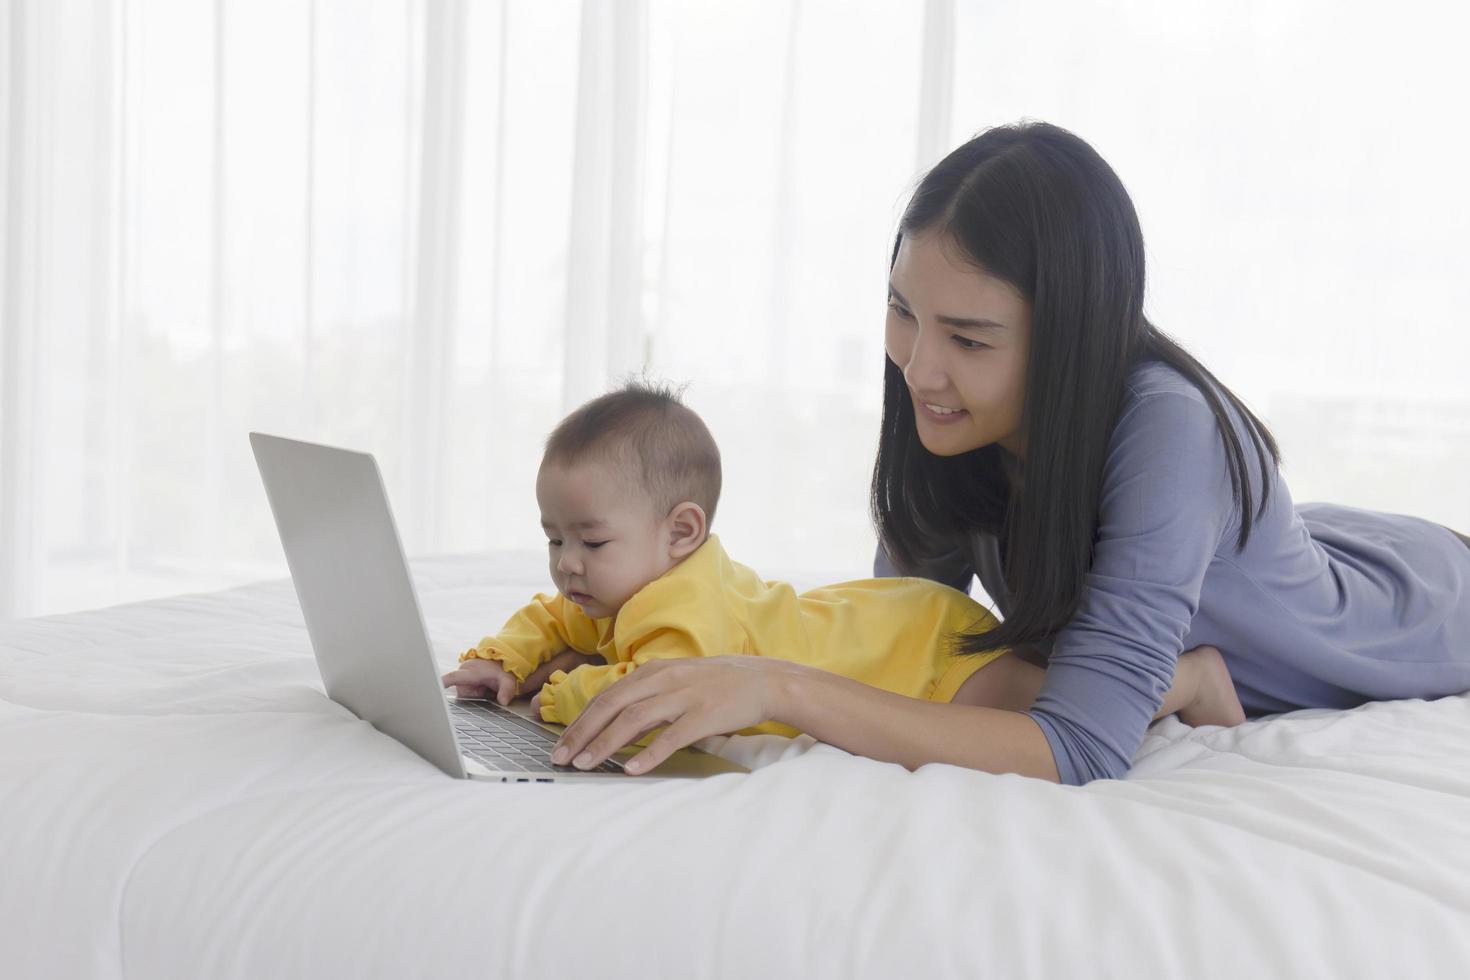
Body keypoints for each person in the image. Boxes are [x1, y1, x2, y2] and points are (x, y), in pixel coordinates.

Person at [532, 121, 1470, 784]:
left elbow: (1080, 748)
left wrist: (775, 684)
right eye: (903, 311)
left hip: (1423, 611)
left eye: (970, 339)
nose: (919, 366)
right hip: (1260, 562)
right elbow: (906, 634)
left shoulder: (1168, 431)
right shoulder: (955, 408)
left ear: (1069, 337)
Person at [439, 380, 1245, 760]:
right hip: (872, 621)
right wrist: (500, 659)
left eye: (588, 543)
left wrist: (555, 690)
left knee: (1044, 701)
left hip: (917, 654)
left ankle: (1190, 678)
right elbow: (556, 617)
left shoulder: (682, 611)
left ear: (681, 532)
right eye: (554, 540)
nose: (569, 566)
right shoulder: (625, 577)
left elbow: (652, 694)